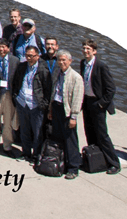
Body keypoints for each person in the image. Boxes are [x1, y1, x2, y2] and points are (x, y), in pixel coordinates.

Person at [80, 40, 120, 174]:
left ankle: (113, 163)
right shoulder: (83, 63)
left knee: (102, 135)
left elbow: (111, 89)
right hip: (87, 102)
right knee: (89, 132)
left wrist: (102, 104)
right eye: (84, 48)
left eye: (88, 49)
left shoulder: (101, 66)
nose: (86, 51)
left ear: (94, 51)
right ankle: (96, 160)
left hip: (98, 104)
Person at [49, 50, 84, 179]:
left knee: (71, 140)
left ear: (70, 61)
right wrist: (50, 110)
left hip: (67, 111)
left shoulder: (76, 77)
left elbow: (77, 99)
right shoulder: (57, 73)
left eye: (64, 60)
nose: (62, 62)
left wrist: (73, 116)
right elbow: (54, 92)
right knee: (58, 137)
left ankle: (74, 168)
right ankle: (61, 162)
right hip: (57, 107)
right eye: (59, 60)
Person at [11, 46, 50, 163]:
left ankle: (36, 155)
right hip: (22, 103)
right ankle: (25, 153)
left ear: (37, 56)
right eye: (27, 55)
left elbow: (48, 90)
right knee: (24, 131)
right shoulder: (22, 67)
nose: (29, 58)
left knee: (37, 133)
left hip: (36, 105)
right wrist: (16, 97)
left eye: (31, 56)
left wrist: (43, 105)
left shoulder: (43, 70)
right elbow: (16, 82)